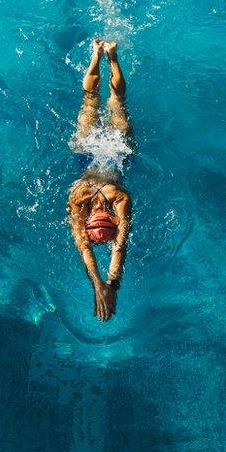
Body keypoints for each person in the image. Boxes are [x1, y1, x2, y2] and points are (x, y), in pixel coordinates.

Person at [67, 39, 132, 321]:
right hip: (86, 150)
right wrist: (102, 283)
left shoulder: (120, 198)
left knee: (115, 102)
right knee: (92, 99)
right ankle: (100, 55)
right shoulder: (79, 197)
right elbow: (85, 244)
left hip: (118, 150)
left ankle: (110, 56)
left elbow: (119, 244)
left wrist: (108, 284)